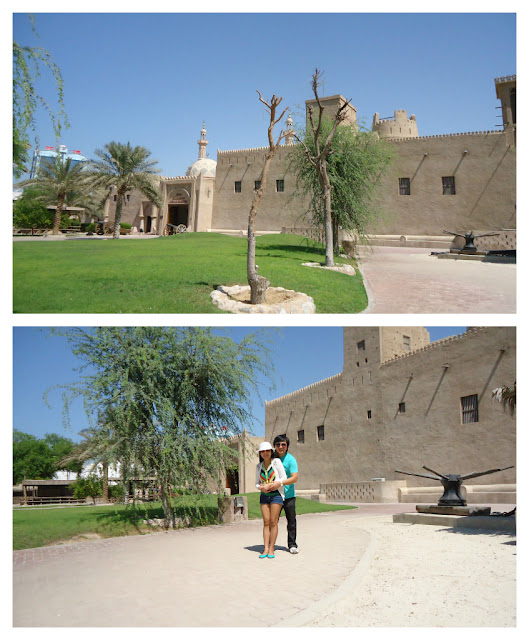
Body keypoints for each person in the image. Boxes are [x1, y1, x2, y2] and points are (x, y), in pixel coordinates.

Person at [259, 434, 299, 554]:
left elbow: (294, 478)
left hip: (289, 495)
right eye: (278, 444)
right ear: (274, 446)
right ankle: (270, 546)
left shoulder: (291, 459)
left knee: (291, 520)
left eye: (283, 444)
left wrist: (279, 483)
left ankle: (292, 544)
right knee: (272, 521)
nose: (280, 447)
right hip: (274, 496)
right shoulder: (270, 458)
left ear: (287, 446)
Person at [255, 442, 287, 559]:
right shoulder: (259, 466)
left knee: (273, 521)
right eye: (263, 451)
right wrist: (261, 487)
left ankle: (272, 548)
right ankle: (266, 548)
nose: (265, 453)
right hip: (264, 496)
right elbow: (256, 483)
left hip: (276, 495)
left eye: (267, 451)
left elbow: (284, 478)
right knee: (266, 522)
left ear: (271, 452)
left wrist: (273, 485)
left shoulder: (276, 462)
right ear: (260, 453)